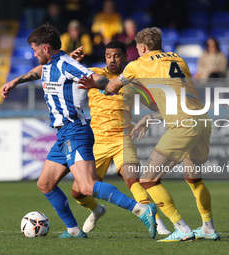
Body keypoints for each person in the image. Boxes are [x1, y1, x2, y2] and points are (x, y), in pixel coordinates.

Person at [1, 24, 156, 239]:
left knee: (87, 186)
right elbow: (40, 71)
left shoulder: (66, 64)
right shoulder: (49, 64)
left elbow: (96, 78)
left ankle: (141, 209)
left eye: (35, 50)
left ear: (45, 48)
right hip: (63, 134)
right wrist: (15, 81)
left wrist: (100, 84)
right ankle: (74, 231)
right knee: (45, 184)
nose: (34, 54)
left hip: (76, 131)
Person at [78, 27, 220, 242]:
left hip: (182, 124)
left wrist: (98, 86)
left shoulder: (138, 64)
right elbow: (169, 92)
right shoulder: (178, 59)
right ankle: (208, 228)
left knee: (148, 180)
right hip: (202, 119)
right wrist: (149, 115)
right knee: (194, 179)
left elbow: (113, 87)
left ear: (142, 47)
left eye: (137, 48)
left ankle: (181, 229)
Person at [69, 41, 171, 235]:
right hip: (96, 141)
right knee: (78, 192)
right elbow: (60, 76)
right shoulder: (94, 74)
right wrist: (70, 61)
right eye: (108, 56)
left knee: (132, 179)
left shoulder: (132, 81)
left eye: (116, 55)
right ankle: (96, 210)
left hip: (122, 138)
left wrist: (151, 115)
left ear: (125, 57)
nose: (112, 59)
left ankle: (157, 223)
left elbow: (155, 105)